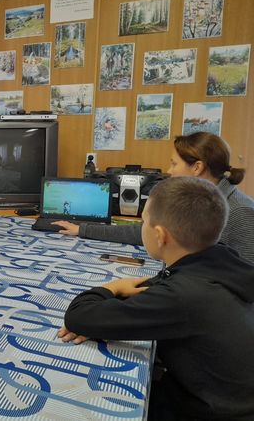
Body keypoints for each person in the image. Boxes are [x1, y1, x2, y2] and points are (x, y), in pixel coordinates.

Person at [58, 177, 254, 420]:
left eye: (144, 222)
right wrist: (107, 316)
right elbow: (159, 288)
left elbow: (78, 316)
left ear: (160, 235)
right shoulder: (220, 259)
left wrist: (111, 288)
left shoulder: (184, 296)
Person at [54, 132, 254, 263]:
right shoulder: (192, 201)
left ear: (197, 167)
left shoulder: (241, 212)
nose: (169, 171)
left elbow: (246, 283)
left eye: (174, 164)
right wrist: (82, 229)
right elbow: (142, 233)